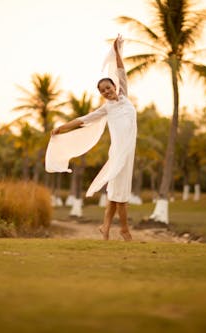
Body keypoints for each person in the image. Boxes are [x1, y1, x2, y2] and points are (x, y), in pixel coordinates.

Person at [47, 35, 137, 241]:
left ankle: (105, 228)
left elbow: (121, 71)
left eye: (109, 87)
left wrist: (116, 52)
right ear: (102, 94)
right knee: (121, 194)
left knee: (115, 193)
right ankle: (124, 230)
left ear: (114, 86)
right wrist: (61, 128)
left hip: (128, 152)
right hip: (118, 154)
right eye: (103, 91)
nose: (107, 92)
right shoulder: (106, 109)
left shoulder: (125, 97)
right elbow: (82, 120)